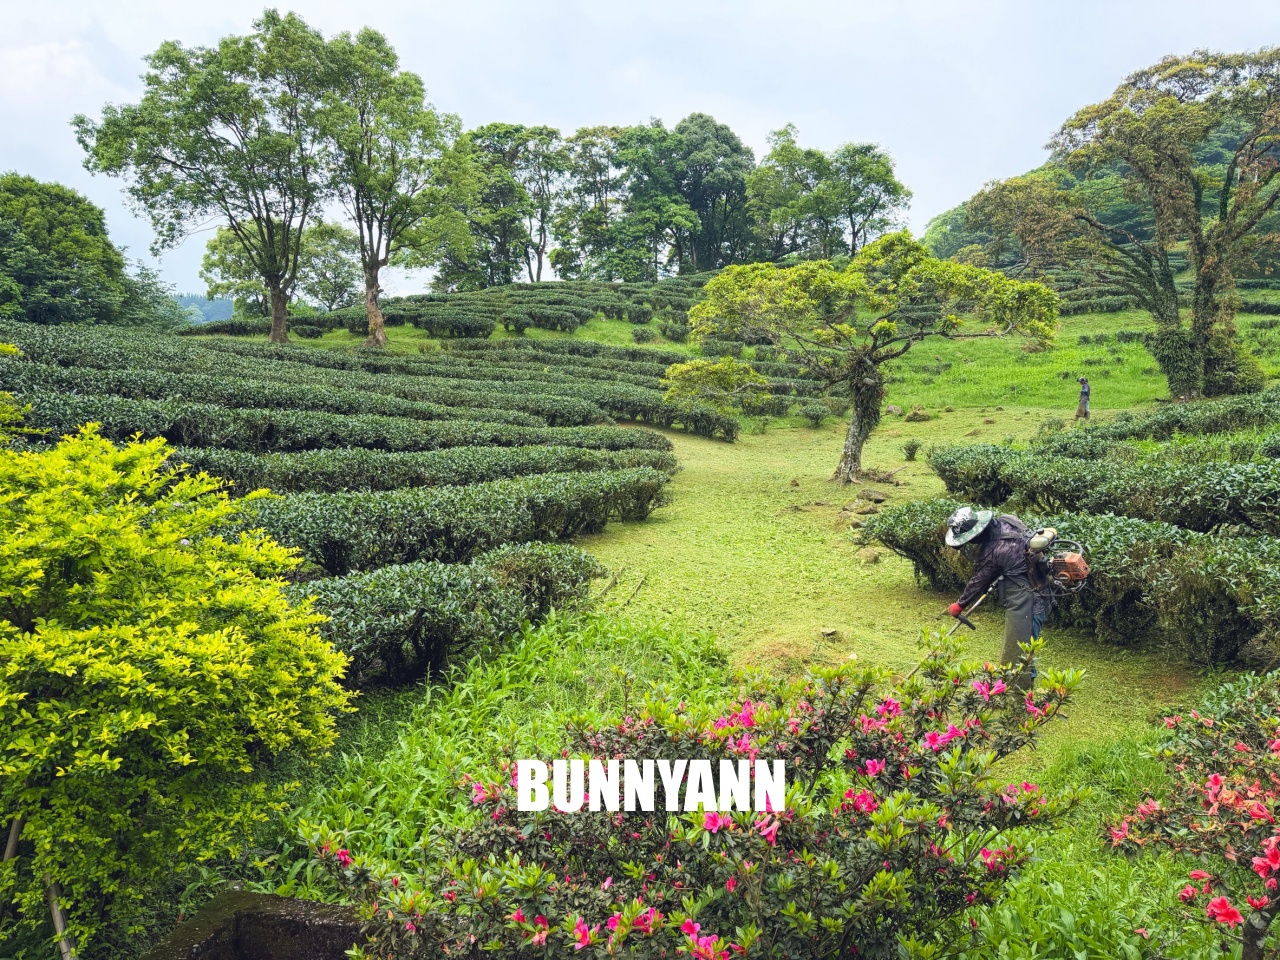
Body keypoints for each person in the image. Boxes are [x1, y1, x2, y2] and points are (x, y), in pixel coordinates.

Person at [943, 506, 1054, 691]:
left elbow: (978, 581)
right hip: (1041, 587)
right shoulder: (1008, 520)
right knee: (1024, 643)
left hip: (1030, 600)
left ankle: (1021, 692)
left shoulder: (995, 551)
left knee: (1022, 646)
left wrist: (959, 605)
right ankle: (1019, 684)